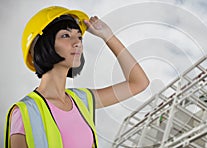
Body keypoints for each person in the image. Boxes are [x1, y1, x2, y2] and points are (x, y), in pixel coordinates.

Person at [4, 6, 149, 148]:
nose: (78, 42)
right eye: (65, 35)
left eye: (79, 37)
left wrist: (108, 36)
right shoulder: (25, 112)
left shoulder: (82, 100)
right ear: (41, 45)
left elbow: (139, 83)